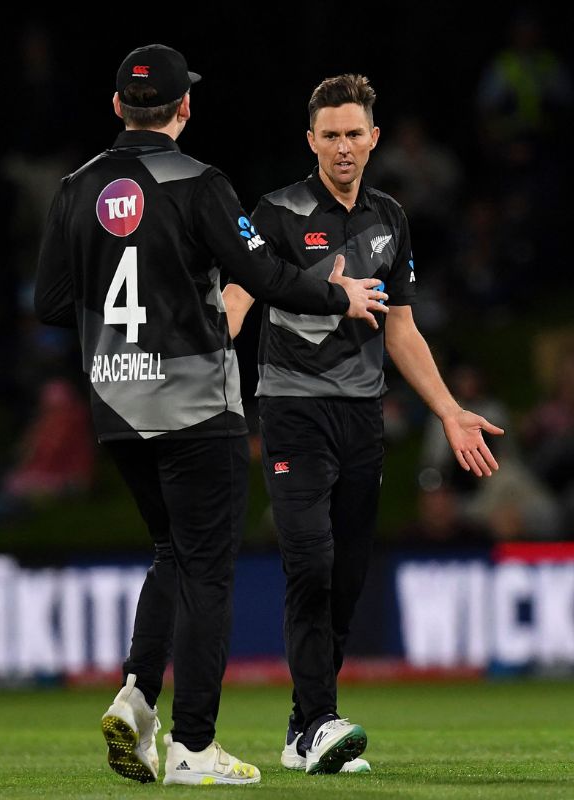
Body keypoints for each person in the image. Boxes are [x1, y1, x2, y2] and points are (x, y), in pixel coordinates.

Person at [32, 44, 386, 786]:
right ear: (184, 108)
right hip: (196, 406)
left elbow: (53, 305)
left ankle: (135, 695)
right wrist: (339, 296)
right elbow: (260, 274)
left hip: (117, 404)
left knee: (171, 555)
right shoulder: (199, 184)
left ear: (118, 107)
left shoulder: (74, 187)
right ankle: (193, 746)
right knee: (208, 574)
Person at [222, 73, 504, 776]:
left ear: (374, 139)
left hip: (361, 415)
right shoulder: (278, 212)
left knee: (345, 577)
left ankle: (302, 725)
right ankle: (321, 721)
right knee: (309, 560)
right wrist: (203, 377)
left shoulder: (389, 217)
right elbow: (236, 298)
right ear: (310, 140)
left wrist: (448, 410)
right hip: (290, 409)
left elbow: (401, 329)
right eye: (330, 135)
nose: (343, 147)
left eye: (354, 134)